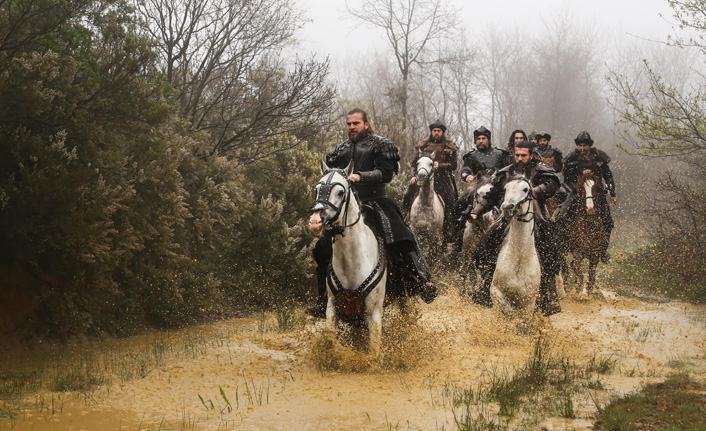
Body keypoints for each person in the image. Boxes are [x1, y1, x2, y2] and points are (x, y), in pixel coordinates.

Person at [306, 108, 437, 318]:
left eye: (356, 123)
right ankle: (323, 299)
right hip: (346, 207)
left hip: (375, 201)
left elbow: (385, 174)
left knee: (401, 235)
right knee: (321, 248)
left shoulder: (380, 145)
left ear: (366, 124)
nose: (351, 127)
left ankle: (421, 279)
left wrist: (360, 176)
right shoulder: (340, 150)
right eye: (349, 124)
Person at [468, 140, 562, 316]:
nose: (520, 158)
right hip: (507, 217)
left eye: (523, 155)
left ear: (531, 155)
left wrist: (534, 191)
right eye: (517, 155)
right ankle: (486, 287)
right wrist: (477, 211)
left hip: (535, 216)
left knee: (550, 250)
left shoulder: (540, 170)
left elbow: (553, 185)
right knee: (485, 247)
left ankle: (547, 298)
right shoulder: (505, 173)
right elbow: (491, 195)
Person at [559, 131, 617, 263]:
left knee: (607, 219)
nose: (583, 148)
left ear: (589, 145)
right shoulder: (571, 158)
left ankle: (603, 250)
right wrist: (577, 187)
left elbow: (608, 175)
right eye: (580, 145)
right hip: (577, 192)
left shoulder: (599, 157)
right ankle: (564, 245)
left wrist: (612, 193)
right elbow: (567, 178)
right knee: (563, 215)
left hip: (597, 192)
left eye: (585, 145)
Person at [402, 119, 459, 243]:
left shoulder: (449, 146)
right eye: (434, 131)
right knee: (408, 195)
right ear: (431, 131)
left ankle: (448, 230)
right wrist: (413, 175)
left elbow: (454, 164)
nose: (436, 133)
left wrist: (441, 165)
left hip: (442, 179)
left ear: (442, 132)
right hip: (422, 177)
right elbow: (414, 163)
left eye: (438, 131)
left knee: (451, 201)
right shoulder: (423, 145)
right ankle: (405, 219)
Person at [452, 126, 508, 230]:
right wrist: (466, 175)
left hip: (497, 187)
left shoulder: (500, 154)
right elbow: (466, 168)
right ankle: (458, 239)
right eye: (478, 139)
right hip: (477, 187)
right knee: (458, 206)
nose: (481, 141)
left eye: (483, 138)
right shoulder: (471, 156)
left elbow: (507, 170)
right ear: (475, 140)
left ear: (488, 139)